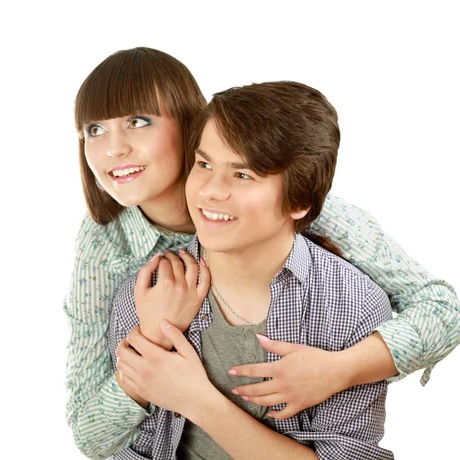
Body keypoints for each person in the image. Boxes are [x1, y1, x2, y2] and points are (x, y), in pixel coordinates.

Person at [64, 47, 460, 459]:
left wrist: (338, 369)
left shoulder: (297, 210)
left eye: (137, 122)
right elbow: (93, 432)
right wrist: (155, 340)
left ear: (189, 127)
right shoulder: (107, 246)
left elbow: (443, 312)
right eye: (93, 130)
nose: (112, 149)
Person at [110, 81, 393, 459]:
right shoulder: (149, 292)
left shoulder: (351, 307)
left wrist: (197, 401)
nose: (210, 190)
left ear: (300, 201)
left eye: (242, 175)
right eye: (204, 164)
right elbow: (123, 448)